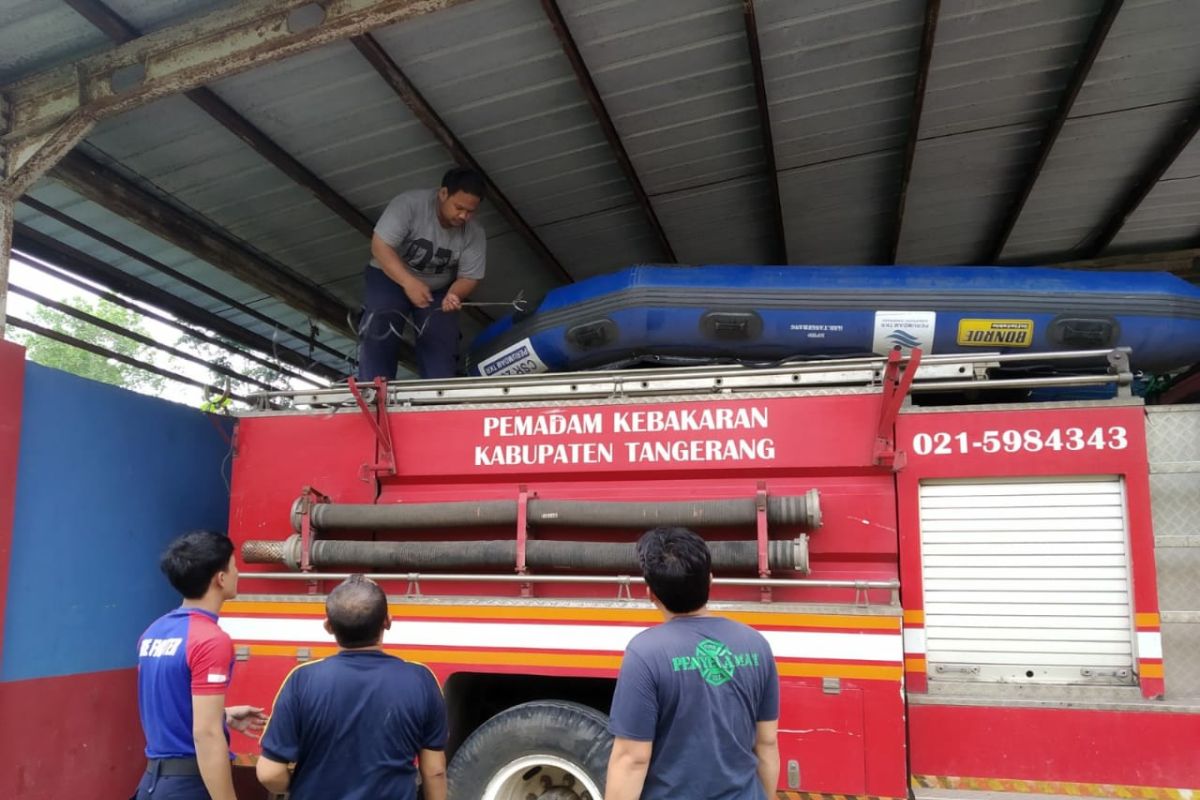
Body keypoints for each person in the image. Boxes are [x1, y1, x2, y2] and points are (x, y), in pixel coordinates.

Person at [604, 527, 780, 800]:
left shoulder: (645, 654)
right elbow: (767, 743)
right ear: (710, 582)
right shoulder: (756, 644)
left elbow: (631, 760)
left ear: (650, 593)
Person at [256, 574, 449, 800]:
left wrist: (302, 787)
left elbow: (269, 773)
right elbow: (434, 771)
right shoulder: (421, 679)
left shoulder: (302, 680)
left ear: (328, 626)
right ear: (387, 621)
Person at [135, 530, 267, 800]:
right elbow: (206, 735)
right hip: (188, 786)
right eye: (234, 567)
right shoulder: (210, 640)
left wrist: (224, 716)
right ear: (220, 578)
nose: (238, 573)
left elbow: (168, 706)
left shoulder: (154, 631)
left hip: (153, 783)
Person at [358, 167, 488, 380]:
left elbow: (469, 277)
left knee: (441, 337)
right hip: (389, 276)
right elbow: (380, 246)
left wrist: (454, 294)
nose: (464, 216)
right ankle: (373, 390)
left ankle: (436, 398)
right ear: (443, 193)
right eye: (459, 207)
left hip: (437, 290)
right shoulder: (409, 205)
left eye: (471, 211)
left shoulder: (475, 233)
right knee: (382, 318)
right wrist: (408, 282)